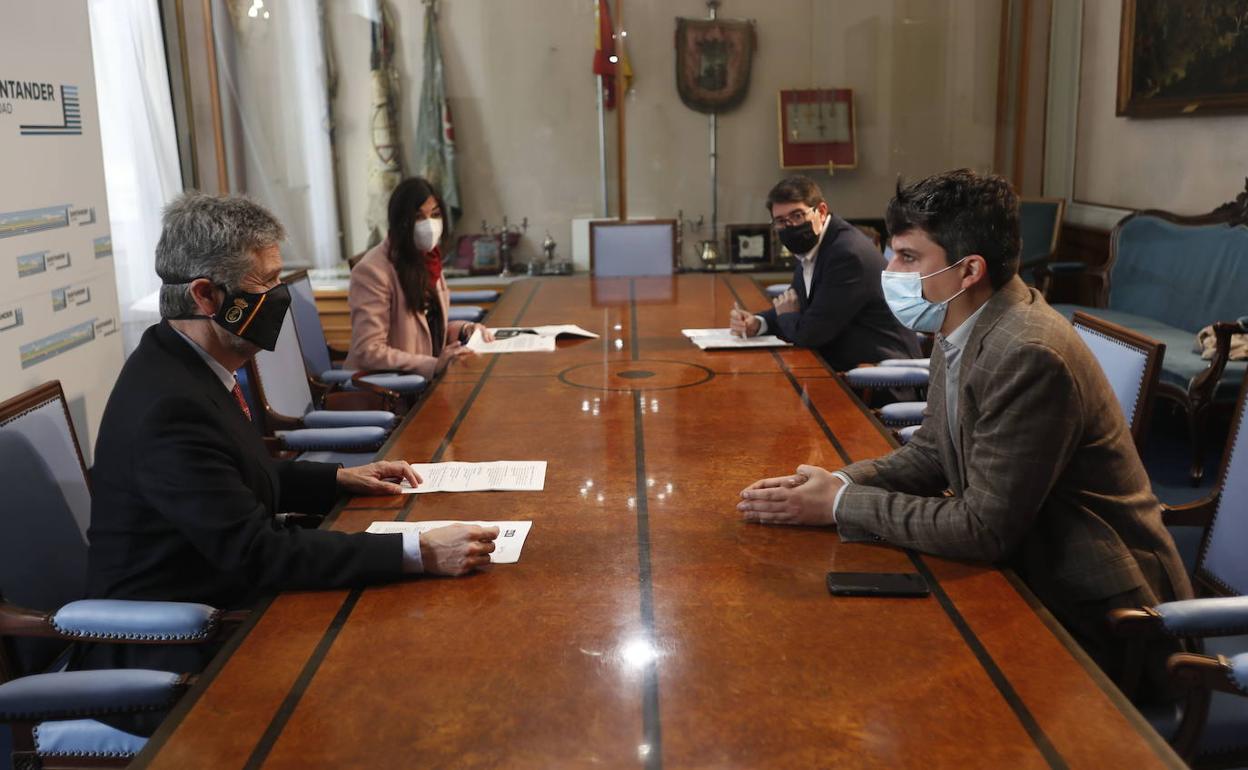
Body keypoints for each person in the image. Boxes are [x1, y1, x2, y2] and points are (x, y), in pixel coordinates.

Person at [737, 169, 1192, 698]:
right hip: (1030, 567)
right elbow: (931, 452)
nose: (889, 269)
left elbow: (983, 529)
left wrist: (840, 506)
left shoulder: (1027, 352)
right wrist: (834, 483)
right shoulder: (961, 321)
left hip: (1102, 615)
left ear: (969, 269)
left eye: (908, 257)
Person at [83, 193, 498, 716]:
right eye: (265, 284)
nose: (279, 297)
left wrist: (341, 477)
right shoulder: (170, 405)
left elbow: (237, 477)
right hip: (175, 654)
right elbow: (259, 553)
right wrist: (420, 552)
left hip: (227, 607)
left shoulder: (187, 365)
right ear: (207, 295)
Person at [728, 175, 920, 371]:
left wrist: (786, 316)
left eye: (797, 216)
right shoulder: (815, 245)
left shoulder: (846, 255)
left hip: (878, 378)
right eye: (781, 221)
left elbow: (810, 334)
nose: (790, 226)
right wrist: (758, 323)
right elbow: (798, 304)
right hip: (841, 366)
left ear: (821, 211)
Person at [346, 177, 492, 378]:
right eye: (419, 217)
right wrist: (433, 365)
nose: (429, 224)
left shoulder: (428, 259)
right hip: (392, 390)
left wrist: (464, 330)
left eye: (435, 215)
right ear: (401, 221)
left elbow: (427, 329)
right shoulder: (372, 271)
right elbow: (369, 351)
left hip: (425, 381)